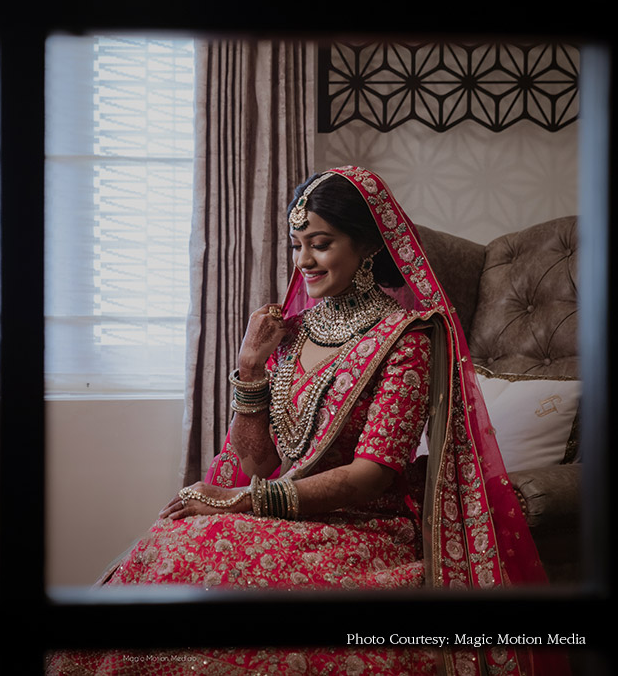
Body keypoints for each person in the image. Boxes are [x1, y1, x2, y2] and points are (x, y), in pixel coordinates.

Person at [48, 166, 562, 676]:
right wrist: (251, 367)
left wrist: (239, 500)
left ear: (368, 246)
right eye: (297, 245)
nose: (303, 261)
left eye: (320, 244)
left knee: (194, 559)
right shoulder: (290, 333)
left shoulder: (405, 340)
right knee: (167, 545)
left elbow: (370, 477)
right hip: (283, 514)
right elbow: (258, 463)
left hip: (361, 526)